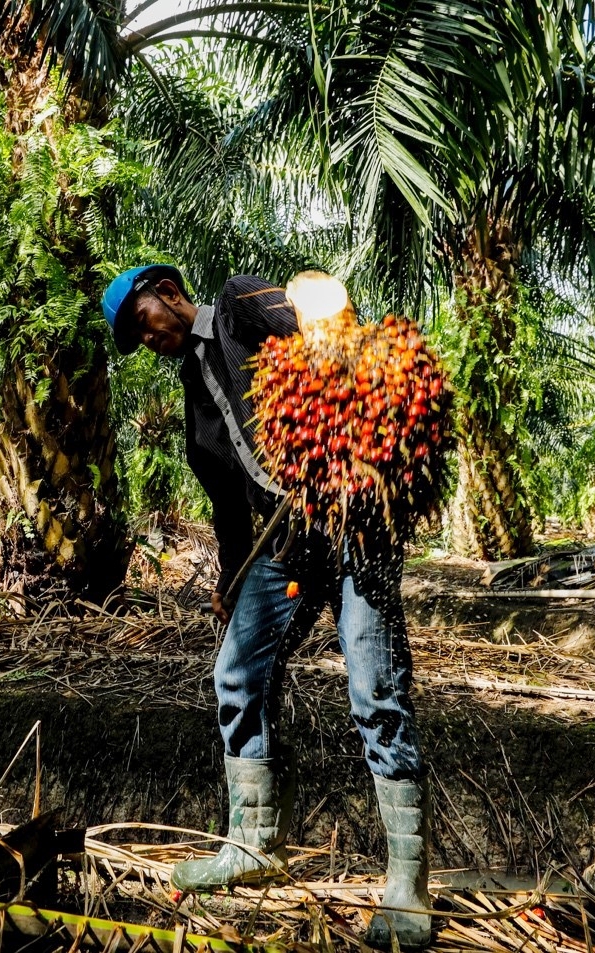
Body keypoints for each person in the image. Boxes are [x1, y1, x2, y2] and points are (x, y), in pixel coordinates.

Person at [101, 265, 434, 949]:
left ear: (165, 292)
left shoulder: (235, 305)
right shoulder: (195, 402)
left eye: (142, 320)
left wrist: (346, 434)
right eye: (134, 337)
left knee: (374, 686)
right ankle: (252, 845)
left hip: (350, 515)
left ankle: (408, 882)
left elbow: (328, 338)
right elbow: (228, 507)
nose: (148, 337)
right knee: (237, 674)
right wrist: (229, 579)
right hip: (282, 540)